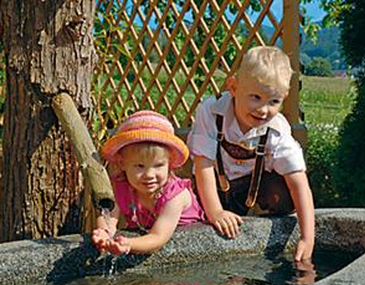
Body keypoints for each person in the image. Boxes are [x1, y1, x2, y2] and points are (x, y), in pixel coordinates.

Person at [187, 46, 315, 261]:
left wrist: (307, 238)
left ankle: (266, 225)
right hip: (211, 185)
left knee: (284, 193)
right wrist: (215, 212)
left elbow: (299, 183)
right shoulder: (211, 111)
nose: (263, 110)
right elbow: (204, 165)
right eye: (255, 97)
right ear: (234, 87)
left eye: (274, 102)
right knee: (196, 219)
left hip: (251, 189)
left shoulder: (277, 129)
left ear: (284, 98)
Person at [92, 110, 205, 255]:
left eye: (158, 166)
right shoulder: (122, 187)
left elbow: (158, 237)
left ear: (169, 164)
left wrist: (128, 244)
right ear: (122, 163)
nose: (149, 175)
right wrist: (104, 233)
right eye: (139, 166)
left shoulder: (176, 196)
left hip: (191, 249)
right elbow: (109, 216)